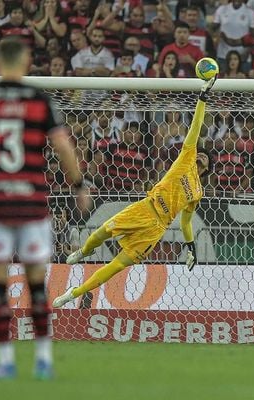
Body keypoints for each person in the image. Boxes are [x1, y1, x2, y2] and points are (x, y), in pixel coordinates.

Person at [0, 38, 89, 379]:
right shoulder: (39, 100)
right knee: (36, 285)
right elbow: (63, 147)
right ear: (26, 60)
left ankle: (5, 361)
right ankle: (43, 360)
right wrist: (79, 185)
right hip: (31, 204)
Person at [52, 76, 217, 309]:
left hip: (156, 228)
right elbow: (196, 127)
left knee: (117, 266)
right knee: (101, 234)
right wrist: (202, 97)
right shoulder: (186, 159)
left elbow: (186, 222)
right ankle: (84, 251)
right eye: (202, 153)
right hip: (144, 208)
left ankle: (73, 293)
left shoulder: (198, 192)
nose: (202, 156)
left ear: (208, 169)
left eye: (207, 159)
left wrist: (190, 247)